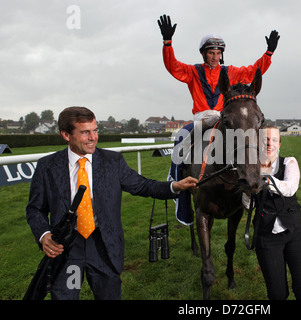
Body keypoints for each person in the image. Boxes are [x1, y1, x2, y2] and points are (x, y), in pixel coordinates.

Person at [26, 106, 198, 300]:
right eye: (85, 132)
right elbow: (35, 209)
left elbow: (143, 186)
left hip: (104, 248)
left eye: (95, 130)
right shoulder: (47, 166)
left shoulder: (112, 161)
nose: (93, 137)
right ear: (66, 135)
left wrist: (174, 186)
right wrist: (44, 235)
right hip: (66, 251)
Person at [158, 14, 279, 225]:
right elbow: (173, 67)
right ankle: (176, 178)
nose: (215, 57)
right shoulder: (193, 71)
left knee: (248, 140)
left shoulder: (230, 71)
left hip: (225, 117)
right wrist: (167, 43)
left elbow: (254, 71)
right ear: (204, 54)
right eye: (211, 53)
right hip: (202, 117)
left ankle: (253, 182)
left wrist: (268, 53)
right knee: (181, 137)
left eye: (218, 53)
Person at [243, 126, 301, 300]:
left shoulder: (289, 162)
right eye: (265, 139)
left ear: (279, 144)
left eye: (274, 140)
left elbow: (290, 188)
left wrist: (266, 179)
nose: (269, 143)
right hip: (266, 237)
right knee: (277, 294)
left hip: (295, 232)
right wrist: (247, 190)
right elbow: (248, 206)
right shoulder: (250, 171)